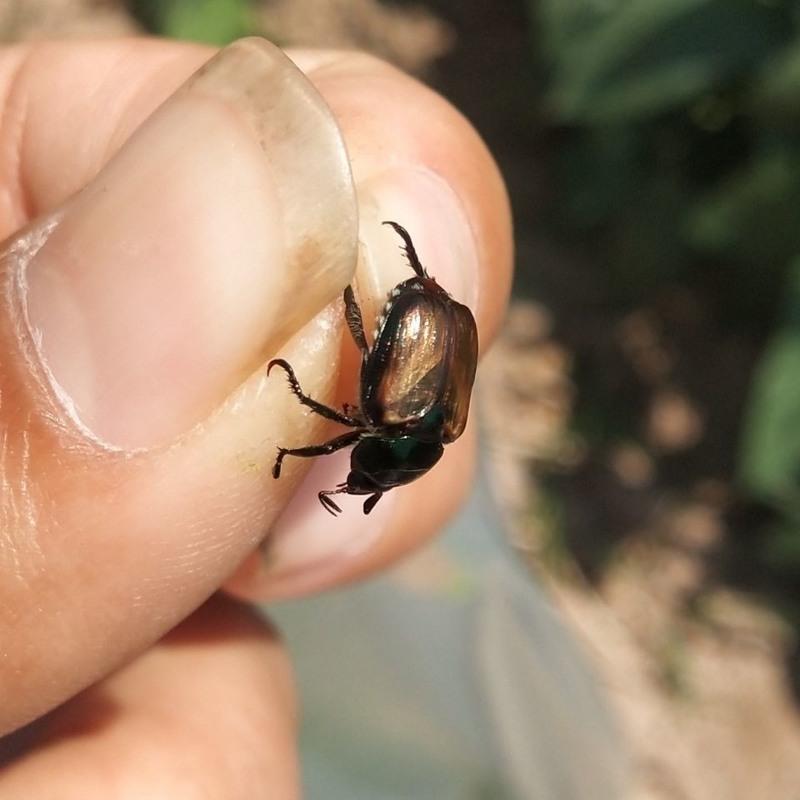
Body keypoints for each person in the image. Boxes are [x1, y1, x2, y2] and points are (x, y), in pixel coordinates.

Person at [0, 37, 512, 795]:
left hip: (428, 312)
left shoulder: (417, 423)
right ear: (386, 456)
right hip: (428, 313)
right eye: (367, 471)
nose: (356, 467)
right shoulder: (403, 419)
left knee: (341, 372)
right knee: (340, 367)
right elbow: (375, 359)